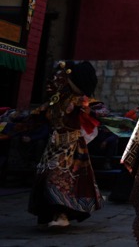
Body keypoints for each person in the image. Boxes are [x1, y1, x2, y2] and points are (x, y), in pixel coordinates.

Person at [27, 61, 104, 228]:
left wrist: (88, 110)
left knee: (57, 178)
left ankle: (62, 214)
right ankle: (55, 214)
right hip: (52, 147)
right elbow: (36, 116)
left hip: (71, 146)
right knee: (46, 179)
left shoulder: (81, 100)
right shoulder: (56, 100)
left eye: (60, 78)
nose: (54, 81)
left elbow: (102, 111)